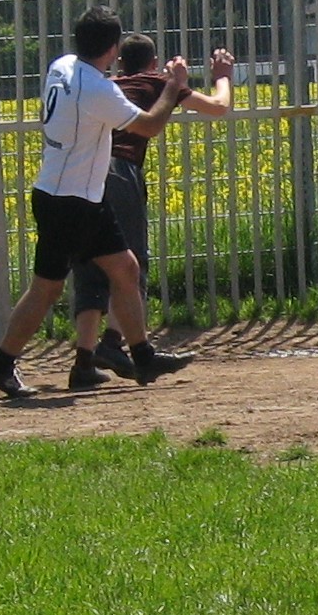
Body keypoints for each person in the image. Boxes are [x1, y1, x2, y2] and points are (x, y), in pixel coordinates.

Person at [0, 6, 197, 397]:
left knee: (125, 269)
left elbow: (94, 93)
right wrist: (171, 85)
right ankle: (0, 365)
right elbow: (148, 125)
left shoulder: (62, 65)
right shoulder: (97, 89)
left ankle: (142, 357)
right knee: (46, 288)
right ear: (113, 48)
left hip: (81, 195)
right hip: (69, 200)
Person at [65, 35, 235, 390]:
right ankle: (112, 344)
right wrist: (222, 75)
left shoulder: (107, 85)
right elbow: (218, 107)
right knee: (132, 262)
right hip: (119, 172)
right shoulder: (155, 82)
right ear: (153, 62)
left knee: (91, 267)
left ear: (119, 62)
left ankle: (83, 362)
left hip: (82, 174)